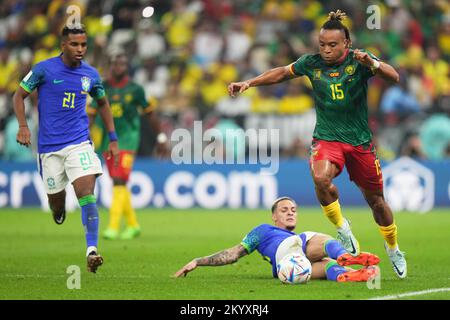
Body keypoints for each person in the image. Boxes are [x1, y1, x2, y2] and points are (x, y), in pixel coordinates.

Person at [227, 10, 407, 279]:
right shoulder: (311, 63)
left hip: (360, 143)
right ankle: (342, 227)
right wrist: (249, 83)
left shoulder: (360, 61)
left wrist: (374, 64)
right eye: (322, 44)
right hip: (327, 137)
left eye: (332, 45)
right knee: (320, 179)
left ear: (346, 43)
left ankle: (393, 248)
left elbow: (394, 77)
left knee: (378, 203)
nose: (326, 50)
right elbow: (281, 73)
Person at [13, 25, 119, 273]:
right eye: (75, 44)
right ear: (63, 45)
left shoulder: (91, 75)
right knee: (57, 204)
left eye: (83, 44)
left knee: (85, 191)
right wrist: (22, 126)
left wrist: (113, 138)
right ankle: (57, 211)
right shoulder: (43, 69)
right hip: (49, 149)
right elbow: (18, 96)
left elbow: (103, 104)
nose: (80, 49)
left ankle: (91, 250)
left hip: (79, 142)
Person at [174, 197, 380, 283]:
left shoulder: (293, 238)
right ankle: (346, 254)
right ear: (274, 216)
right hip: (288, 250)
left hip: (289, 270)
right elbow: (234, 253)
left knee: (328, 266)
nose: (290, 213)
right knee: (317, 238)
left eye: (293, 210)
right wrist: (198, 261)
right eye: (284, 210)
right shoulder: (264, 230)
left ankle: (350, 275)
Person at [87, 53, 169, 240]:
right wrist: (84, 133)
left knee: (119, 181)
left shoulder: (136, 89)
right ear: (110, 66)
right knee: (118, 181)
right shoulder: (102, 88)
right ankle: (133, 225)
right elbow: (91, 114)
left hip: (128, 139)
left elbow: (151, 114)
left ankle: (113, 226)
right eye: (115, 63)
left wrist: (161, 137)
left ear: (127, 67)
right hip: (108, 141)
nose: (119, 67)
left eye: (123, 63)